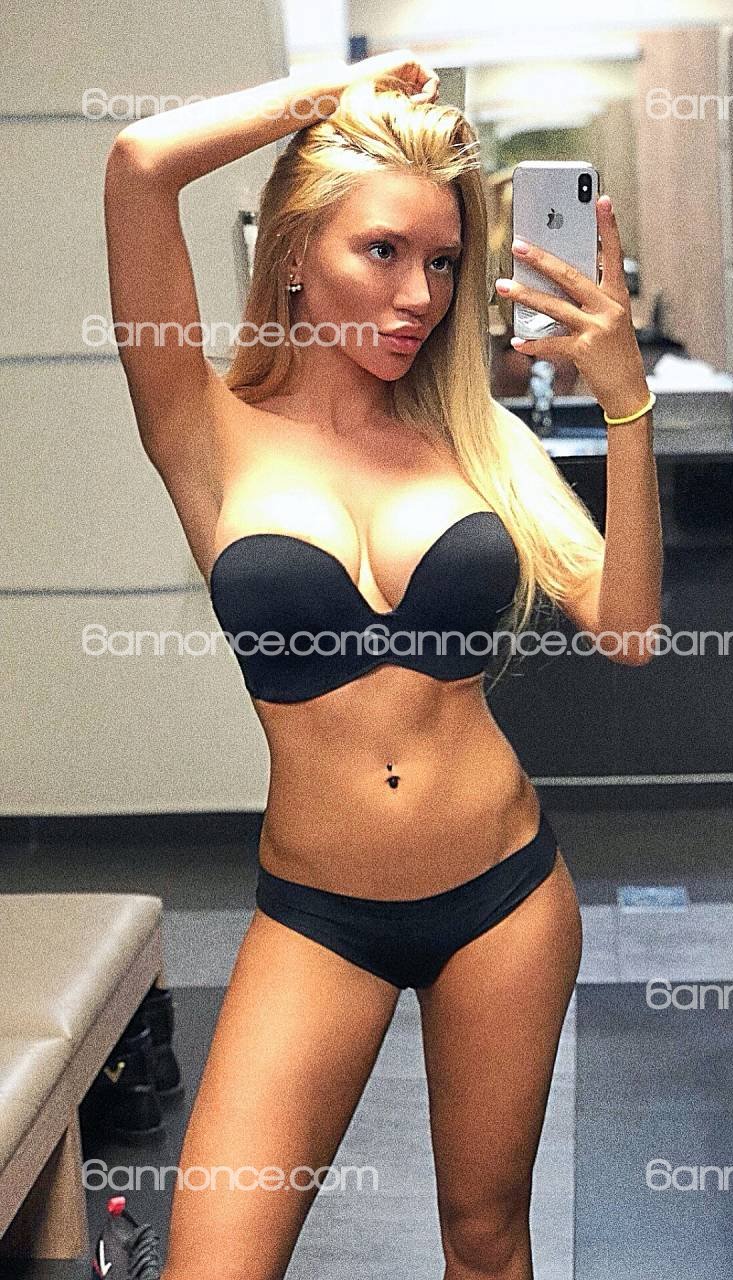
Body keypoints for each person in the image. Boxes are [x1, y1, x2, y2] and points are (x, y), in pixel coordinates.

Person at [99, 48, 662, 1280]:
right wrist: (330, 102)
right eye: (384, 250)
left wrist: (626, 404)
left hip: (505, 896)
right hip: (318, 914)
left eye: (444, 261)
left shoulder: (478, 439)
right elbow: (141, 165)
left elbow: (627, 629)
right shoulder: (202, 425)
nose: (419, 295)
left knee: (485, 1240)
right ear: (296, 251)